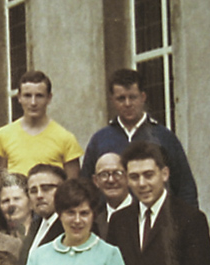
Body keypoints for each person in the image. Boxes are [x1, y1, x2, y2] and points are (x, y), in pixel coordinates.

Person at [81, 68, 197, 207]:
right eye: (121, 98)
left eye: (133, 97)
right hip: (112, 223)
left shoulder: (163, 137)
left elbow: (185, 187)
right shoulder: (100, 140)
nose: (128, 104)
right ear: (112, 100)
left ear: (143, 97)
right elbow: (85, 188)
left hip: (158, 221)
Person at [0, 71, 83, 179]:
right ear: (19, 97)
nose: (33, 102)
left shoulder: (66, 139)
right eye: (27, 96)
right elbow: (1, 181)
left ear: (49, 98)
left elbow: (72, 187)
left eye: (39, 96)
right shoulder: (3, 135)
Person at [15, 163, 67, 265]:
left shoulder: (70, 226)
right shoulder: (35, 225)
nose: (39, 195)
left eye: (46, 189)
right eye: (33, 191)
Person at [91, 153, 131, 239]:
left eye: (117, 173)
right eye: (104, 174)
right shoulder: (93, 217)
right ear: (96, 181)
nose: (111, 180)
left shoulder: (143, 213)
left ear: (128, 177)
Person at [0, 173, 32, 239]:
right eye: (6, 201)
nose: (11, 204)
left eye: (17, 199)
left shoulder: (42, 233)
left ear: (30, 202)